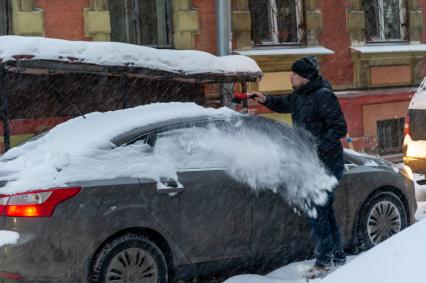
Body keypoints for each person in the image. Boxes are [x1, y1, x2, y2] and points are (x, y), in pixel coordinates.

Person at [251, 56, 348, 275]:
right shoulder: (299, 95)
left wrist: (318, 147)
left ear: (305, 77)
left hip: (328, 163)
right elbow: (284, 103)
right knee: (324, 210)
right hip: (311, 162)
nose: (290, 76)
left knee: (317, 210)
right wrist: (265, 98)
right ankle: (336, 255)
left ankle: (324, 262)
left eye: (294, 73)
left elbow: (339, 128)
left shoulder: (324, 97)